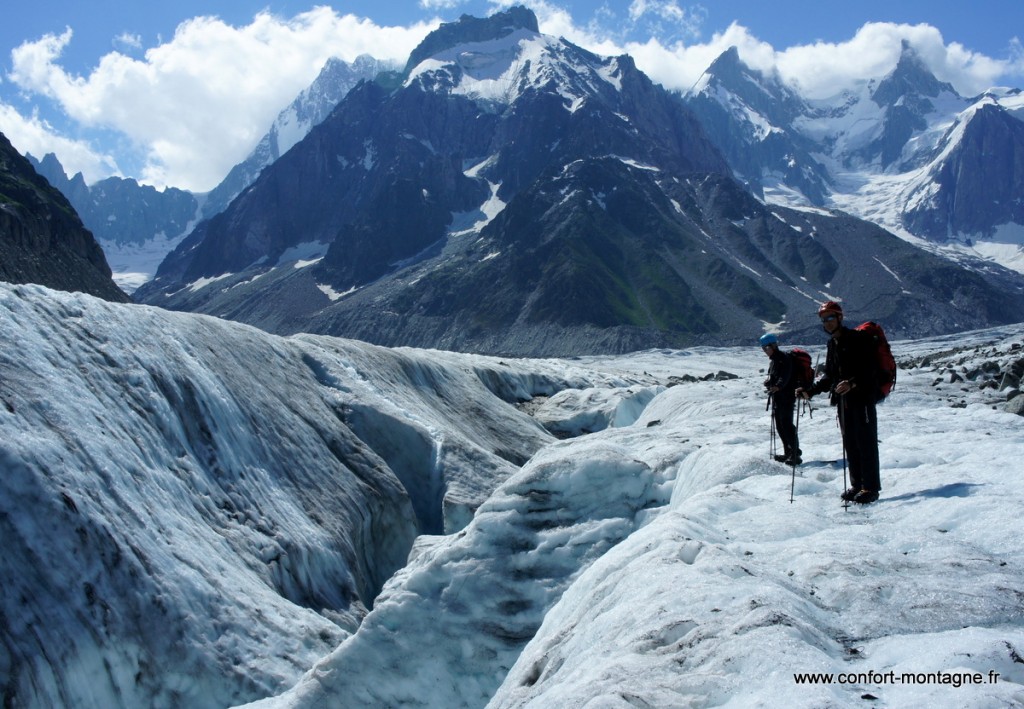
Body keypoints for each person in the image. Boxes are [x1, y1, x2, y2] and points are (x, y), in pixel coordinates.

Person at [797, 301, 881, 504]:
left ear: (840, 317)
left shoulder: (857, 339)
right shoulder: (832, 344)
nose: (826, 323)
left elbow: (871, 371)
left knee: (866, 443)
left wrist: (852, 384)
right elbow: (831, 376)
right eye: (824, 320)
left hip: (861, 399)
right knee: (851, 443)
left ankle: (870, 488)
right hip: (844, 402)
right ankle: (857, 485)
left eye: (830, 318)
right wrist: (811, 391)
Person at [760, 333, 801, 465]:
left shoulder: (783, 358)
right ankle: (788, 452)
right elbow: (777, 376)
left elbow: (785, 375)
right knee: (780, 426)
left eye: (766, 347)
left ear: (773, 345)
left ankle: (795, 454)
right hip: (779, 398)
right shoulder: (774, 360)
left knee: (787, 425)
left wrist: (778, 386)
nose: (765, 351)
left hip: (787, 397)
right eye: (763, 348)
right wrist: (770, 382)